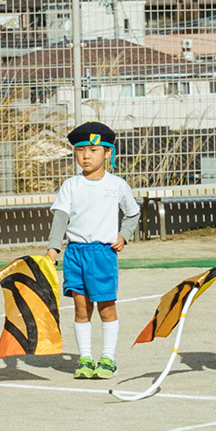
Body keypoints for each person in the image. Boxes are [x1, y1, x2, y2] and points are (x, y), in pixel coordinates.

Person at [47, 122, 140, 379]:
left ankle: (108, 357)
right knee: (80, 308)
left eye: (93, 150)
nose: (86, 156)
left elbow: (132, 213)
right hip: (75, 253)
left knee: (106, 307)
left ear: (108, 152)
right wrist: (54, 248)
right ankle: (85, 358)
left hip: (102, 254)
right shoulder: (71, 185)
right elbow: (61, 218)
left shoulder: (117, 185)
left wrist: (124, 235)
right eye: (80, 150)